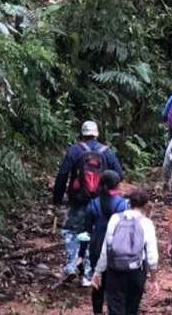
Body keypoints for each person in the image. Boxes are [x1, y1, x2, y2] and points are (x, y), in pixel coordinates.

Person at [92, 186, 160, 315]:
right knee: (131, 312)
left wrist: (98, 272)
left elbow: (106, 249)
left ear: (128, 202)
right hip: (137, 272)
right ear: (145, 205)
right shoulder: (146, 224)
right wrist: (154, 279)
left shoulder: (115, 219)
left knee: (115, 310)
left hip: (115, 271)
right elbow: (152, 255)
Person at [51, 121, 123, 285]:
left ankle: (71, 266)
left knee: (72, 231)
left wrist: (57, 200)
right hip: (100, 201)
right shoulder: (106, 152)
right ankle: (88, 274)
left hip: (77, 200)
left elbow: (62, 175)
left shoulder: (74, 150)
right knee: (93, 233)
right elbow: (119, 174)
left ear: (82, 134)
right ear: (97, 134)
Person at [85, 170, 129, 315]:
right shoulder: (123, 204)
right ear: (117, 185)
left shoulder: (93, 204)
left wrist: (82, 255)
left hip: (96, 246)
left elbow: (87, 230)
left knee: (97, 284)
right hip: (117, 248)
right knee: (115, 285)